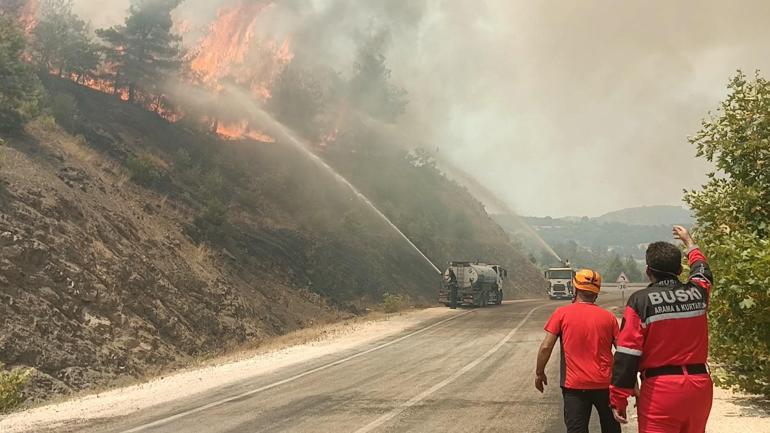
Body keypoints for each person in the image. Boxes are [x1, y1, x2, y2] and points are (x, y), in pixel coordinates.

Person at [610, 225, 713, 433]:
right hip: (699, 388)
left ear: (648, 271)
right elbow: (703, 270)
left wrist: (619, 398)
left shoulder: (640, 301)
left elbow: (628, 353)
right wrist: (690, 243)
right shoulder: (698, 292)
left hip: (661, 390)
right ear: (680, 271)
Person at [536, 269, 622, 433]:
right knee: (611, 428)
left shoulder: (562, 313)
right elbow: (623, 351)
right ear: (596, 293)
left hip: (574, 386)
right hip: (605, 384)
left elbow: (546, 347)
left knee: (577, 429)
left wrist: (539, 372)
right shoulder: (608, 317)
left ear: (575, 288)